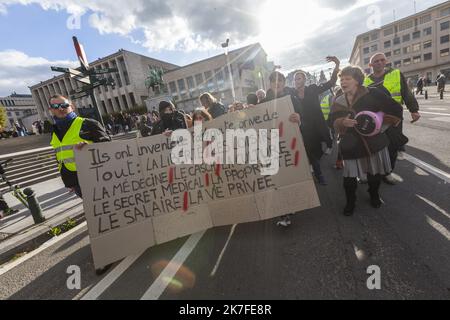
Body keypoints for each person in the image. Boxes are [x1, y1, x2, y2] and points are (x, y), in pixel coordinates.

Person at [329, 66, 403, 216]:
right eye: (341, 79)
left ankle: (374, 195)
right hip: (349, 144)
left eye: (347, 79)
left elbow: (396, 109)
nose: (343, 82)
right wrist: (342, 122)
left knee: (374, 174)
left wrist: (379, 125)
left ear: (357, 80)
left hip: (373, 143)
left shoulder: (373, 93)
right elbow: (330, 121)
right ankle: (350, 202)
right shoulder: (338, 100)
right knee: (349, 178)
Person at [364, 53, 420, 185]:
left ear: (386, 61)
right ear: (370, 65)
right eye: (375, 61)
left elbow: (406, 92)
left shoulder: (395, 74)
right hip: (376, 118)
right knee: (375, 147)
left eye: (382, 60)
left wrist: (414, 110)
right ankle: (374, 171)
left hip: (394, 116)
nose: (379, 62)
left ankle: (388, 172)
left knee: (393, 146)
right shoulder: (365, 81)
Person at [48, 94, 111, 199]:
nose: (60, 108)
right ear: (51, 110)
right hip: (75, 182)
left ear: (72, 107)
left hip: (96, 177)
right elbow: (61, 156)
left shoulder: (88, 124)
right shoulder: (55, 131)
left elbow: (110, 148)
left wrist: (90, 147)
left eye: (64, 105)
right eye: (55, 106)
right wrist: (69, 181)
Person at [261, 71, 302, 227]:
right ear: (269, 84)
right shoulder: (262, 102)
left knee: (289, 177)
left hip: (290, 144)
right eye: (273, 81)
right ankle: (283, 213)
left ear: (284, 83)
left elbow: (301, 116)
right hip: (271, 146)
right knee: (276, 179)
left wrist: (299, 118)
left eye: (280, 81)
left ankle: (291, 204)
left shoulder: (293, 98)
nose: (276, 84)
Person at [290, 56, 339, 185]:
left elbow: (331, 83)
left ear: (304, 80)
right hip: (304, 127)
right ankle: (318, 173)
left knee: (318, 149)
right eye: (295, 79)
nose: (296, 80)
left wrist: (337, 65)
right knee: (310, 149)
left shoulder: (312, 89)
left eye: (299, 78)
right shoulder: (292, 94)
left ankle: (320, 155)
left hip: (318, 124)